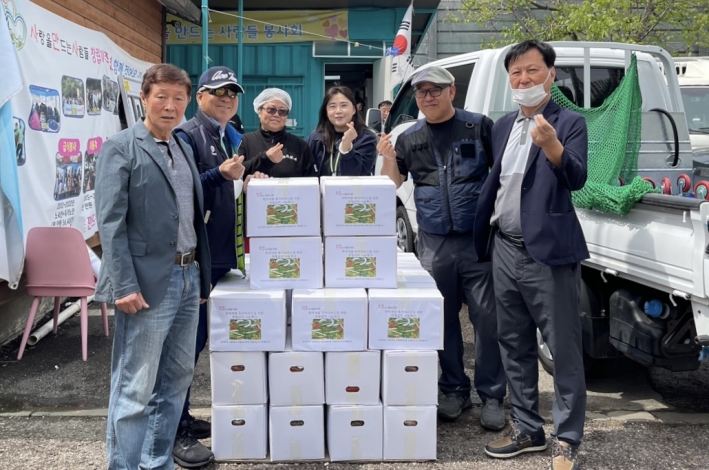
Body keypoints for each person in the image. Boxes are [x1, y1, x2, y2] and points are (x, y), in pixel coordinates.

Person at [474, 40, 588, 470]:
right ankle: (527, 428)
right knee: (513, 342)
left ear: (551, 75)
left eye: (532, 71)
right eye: (516, 73)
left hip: (549, 254)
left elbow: (576, 177)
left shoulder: (569, 122)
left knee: (563, 349)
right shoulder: (502, 126)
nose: (524, 79)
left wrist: (553, 146)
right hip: (504, 246)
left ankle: (567, 438)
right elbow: (500, 183)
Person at [95, 63, 211, 470]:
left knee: (176, 380)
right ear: (143, 99)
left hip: (187, 277)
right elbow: (110, 223)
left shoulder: (180, 146)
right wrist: (122, 284)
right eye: (161, 96)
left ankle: (156, 462)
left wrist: (200, 281)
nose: (170, 105)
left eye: (178, 98)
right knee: (135, 386)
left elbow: (193, 218)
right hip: (144, 283)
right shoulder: (122, 147)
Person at [378, 65, 507, 430]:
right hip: (434, 243)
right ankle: (453, 389)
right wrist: (387, 155)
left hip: (476, 242)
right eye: (422, 92)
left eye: (436, 90)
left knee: (487, 321)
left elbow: (501, 173)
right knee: (442, 321)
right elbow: (394, 182)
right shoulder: (410, 137)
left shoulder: (479, 126)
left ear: (452, 92)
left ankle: (493, 395)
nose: (428, 97)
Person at [172, 65, 250, 467]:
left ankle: (181, 416)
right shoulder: (189, 134)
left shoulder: (226, 132)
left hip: (222, 257)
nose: (226, 99)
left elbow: (229, 186)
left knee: (201, 343)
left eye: (232, 93)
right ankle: (176, 430)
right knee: (186, 346)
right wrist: (220, 175)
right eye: (218, 92)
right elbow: (183, 193)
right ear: (200, 96)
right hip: (199, 261)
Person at [239, 88, 317, 177]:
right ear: (259, 111)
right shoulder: (244, 141)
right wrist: (264, 159)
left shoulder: (300, 146)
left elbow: (311, 181)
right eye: (271, 109)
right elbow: (234, 174)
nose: (276, 115)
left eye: (282, 111)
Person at [307, 86, 377, 176]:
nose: (338, 111)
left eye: (344, 105)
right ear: (326, 111)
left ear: (354, 110)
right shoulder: (316, 138)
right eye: (332, 106)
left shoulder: (366, 138)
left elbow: (354, 175)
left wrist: (347, 148)